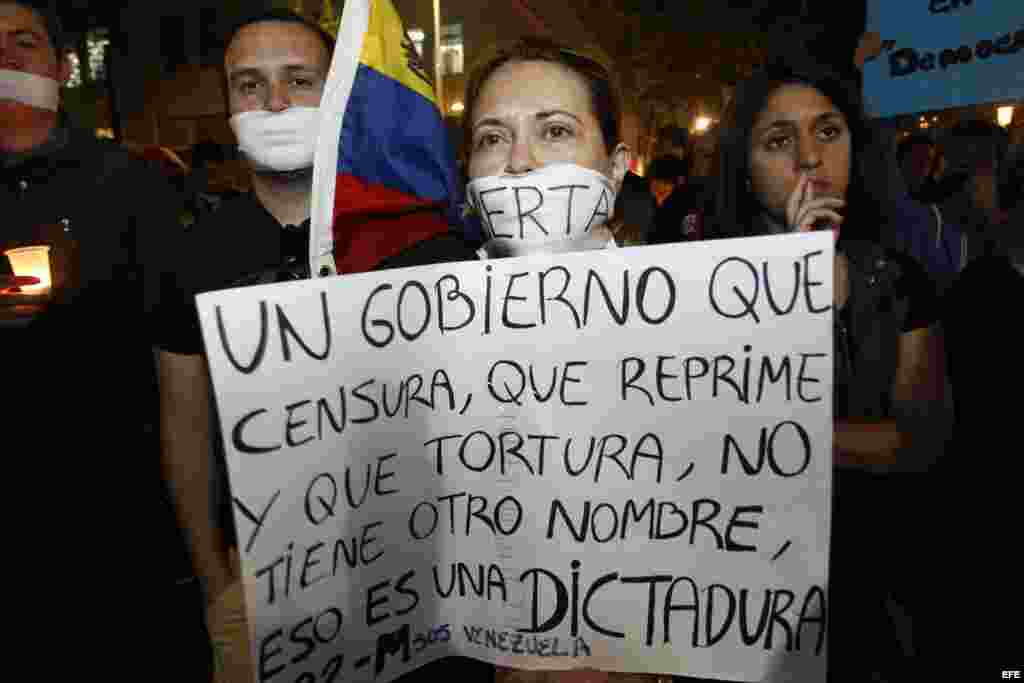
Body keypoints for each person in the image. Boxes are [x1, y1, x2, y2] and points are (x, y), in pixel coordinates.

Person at [152, 9, 479, 681]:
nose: (274, 102)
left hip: (429, 589)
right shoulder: (191, 254)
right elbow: (184, 434)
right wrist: (219, 591)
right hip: (271, 589)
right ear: (227, 105)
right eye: (249, 84)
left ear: (338, 93)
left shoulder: (427, 246)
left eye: (299, 80)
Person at [708, 58, 948, 682]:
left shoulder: (897, 283)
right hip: (743, 606)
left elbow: (919, 442)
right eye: (779, 141)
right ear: (744, 165)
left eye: (828, 132)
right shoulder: (697, 293)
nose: (810, 158)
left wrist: (772, 440)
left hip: (872, 597)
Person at [1, 1, 211, 679]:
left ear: (63, 68)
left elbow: (181, 375)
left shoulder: (133, 184)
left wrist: (204, 561)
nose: (3, 59)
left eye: (22, 42)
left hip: (124, 550)